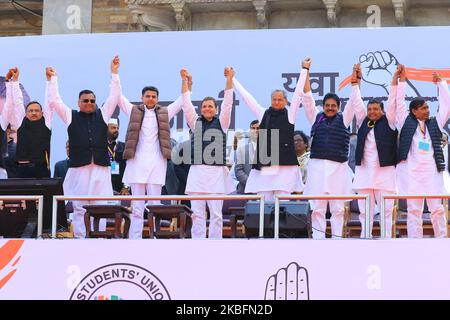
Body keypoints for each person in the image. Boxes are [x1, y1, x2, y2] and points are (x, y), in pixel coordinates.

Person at [47, 56, 120, 238]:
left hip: (100, 168)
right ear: (79, 102)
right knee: (79, 207)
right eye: (85, 101)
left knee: (101, 206)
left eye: (92, 101)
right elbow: (55, 101)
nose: (89, 103)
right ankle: (80, 239)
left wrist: (114, 74)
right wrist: (53, 79)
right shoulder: (70, 116)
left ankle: (99, 237)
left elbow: (114, 96)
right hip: (79, 168)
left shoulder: (103, 114)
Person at [116, 58, 186, 239]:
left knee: (155, 204)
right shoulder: (133, 110)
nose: (150, 99)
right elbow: (119, 96)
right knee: (137, 205)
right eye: (147, 96)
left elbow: (181, 102)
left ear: (157, 98)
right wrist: (115, 74)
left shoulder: (165, 112)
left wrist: (185, 82)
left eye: (154, 96)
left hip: (156, 163)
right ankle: (135, 238)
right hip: (137, 162)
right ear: (142, 98)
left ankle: (155, 237)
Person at [232, 59, 309, 201]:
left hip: (284, 168)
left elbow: (298, 94)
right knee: (265, 205)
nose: (277, 102)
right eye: (274, 99)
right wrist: (233, 80)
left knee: (283, 205)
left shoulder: (290, 114)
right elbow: (247, 98)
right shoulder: (263, 114)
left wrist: (304, 70)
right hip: (266, 168)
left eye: (280, 99)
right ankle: (264, 225)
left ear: (286, 101)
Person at [302, 61, 360, 239]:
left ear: (338, 107)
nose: (329, 108)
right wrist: (306, 71)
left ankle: (337, 240)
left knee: (337, 208)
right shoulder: (316, 118)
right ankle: (318, 240)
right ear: (323, 105)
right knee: (317, 208)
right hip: (317, 168)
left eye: (333, 106)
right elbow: (307, 96)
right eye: (327, 105)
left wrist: (356, 80)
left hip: (338, 170)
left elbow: (353, 101)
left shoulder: (344, 119)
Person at [396, 69, 450, 238]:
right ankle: (415, 242)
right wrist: (402, 81)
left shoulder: (435, 123)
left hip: (432, 173)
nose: (427, 110)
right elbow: (399, 103)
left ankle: (441, 240)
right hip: (412, 174)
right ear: (414, 111)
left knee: (437, 209)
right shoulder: (405, 122)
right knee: (414, 210)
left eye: (427, 107)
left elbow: (447, 106)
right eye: (424, 108)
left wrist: (441, 84)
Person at [181, 67, 234, 239]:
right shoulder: (195, 122)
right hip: (197, 172)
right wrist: (185, 81)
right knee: (197, 213)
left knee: (216, 214)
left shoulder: (223, 122)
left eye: (210, 106)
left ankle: (215, 244)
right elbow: (186, 104)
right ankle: (198, 243)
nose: (207, 109)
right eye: (204, 106)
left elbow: (228, 103)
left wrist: (229, 79)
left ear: (216, 109)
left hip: (216, 173)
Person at [348, 63, 400, 238]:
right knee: (365, 211)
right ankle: (365, 238)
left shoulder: (390, 121)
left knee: (385, 212)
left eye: (375, 109)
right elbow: (356, 102)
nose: (371, 112)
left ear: (383, 111)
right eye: (370, 109)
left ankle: (385, 239)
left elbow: (392, 101)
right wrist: (355, 83)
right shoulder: (363, 120)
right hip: (364, 173)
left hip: (384, 174)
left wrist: (394, 81)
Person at [7, 67, 52, 178]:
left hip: (41, 169)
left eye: (37, 110)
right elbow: (18, 102)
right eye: (30, 110)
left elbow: (49, 101)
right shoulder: (21, 122)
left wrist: (50, 81)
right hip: (22, 170)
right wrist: (15, 81)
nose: (33, 113)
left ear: (42, 113)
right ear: (26, 113)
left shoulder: (46, 123)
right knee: (24, 195)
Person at [234, 120, 259, 194]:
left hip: (265, 191)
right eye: (253, 128)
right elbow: (238, 171)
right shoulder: (242, 150)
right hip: (246, 192)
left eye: (258, 128)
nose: (255, 130)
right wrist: (251, 183)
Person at [107, 118, 128, 194]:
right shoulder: (100, 147)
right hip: (103, 189)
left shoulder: (124, 146)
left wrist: (126, 187)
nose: (116, 130)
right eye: (113, 128)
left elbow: (130, 168)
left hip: (122, 191)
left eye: (117, 128)